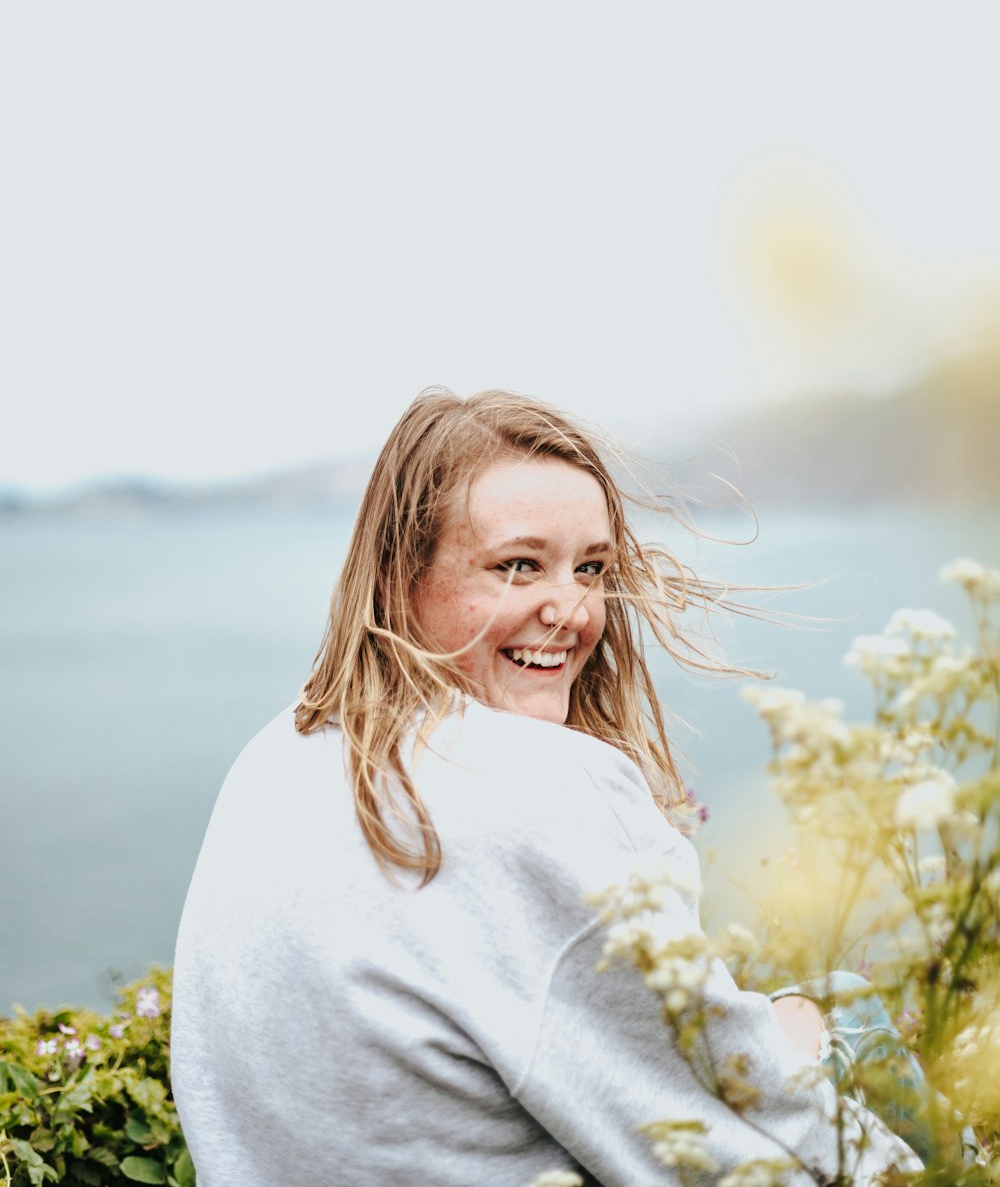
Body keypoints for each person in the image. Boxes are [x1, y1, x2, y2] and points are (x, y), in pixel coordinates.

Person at [170, 389, 920, 1187]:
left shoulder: (282, 747)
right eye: (517, 566)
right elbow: (707, 1139)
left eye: (590, 568)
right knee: (845, 1011)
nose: (571, 611)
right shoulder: (538, 790)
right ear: (400, 576)